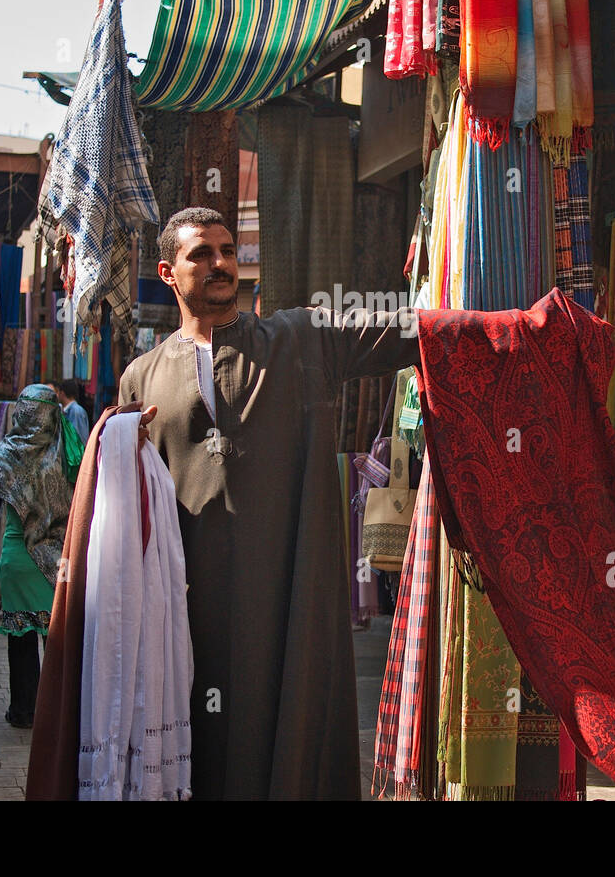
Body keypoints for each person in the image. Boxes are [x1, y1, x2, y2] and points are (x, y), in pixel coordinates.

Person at [114, 206, 419, 799]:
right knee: (196, 746)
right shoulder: (140, 380)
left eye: (227, 251)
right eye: (201, 254)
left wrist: (511, 325)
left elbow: (404, 331)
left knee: (280, 728)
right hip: (185, 610)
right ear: (168, 272)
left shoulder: (299, 339)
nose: (220, 263)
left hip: (285, 597)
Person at [0, 384, 82, 728]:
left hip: (17, 557)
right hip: (59, 559)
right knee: (55, 639)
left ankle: (24, 712)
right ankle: (57, 711)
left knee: (21, 639)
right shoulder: (68, 451)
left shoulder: (8, 453)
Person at [55, 379, 90, 444]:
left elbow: (80, 438)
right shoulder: (66, 411)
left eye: (58, 392)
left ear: (62, 393)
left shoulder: (76, 411)